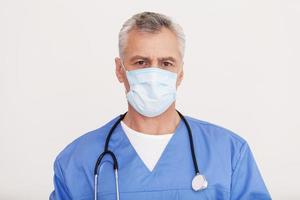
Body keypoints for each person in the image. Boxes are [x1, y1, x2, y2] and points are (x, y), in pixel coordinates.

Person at [49, 11, 271, 200]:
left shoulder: (229, 153)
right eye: (141, 62)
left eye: (166, 63)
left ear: (180, 72)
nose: (153, 74)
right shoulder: (78, 160)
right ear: (119, 69)